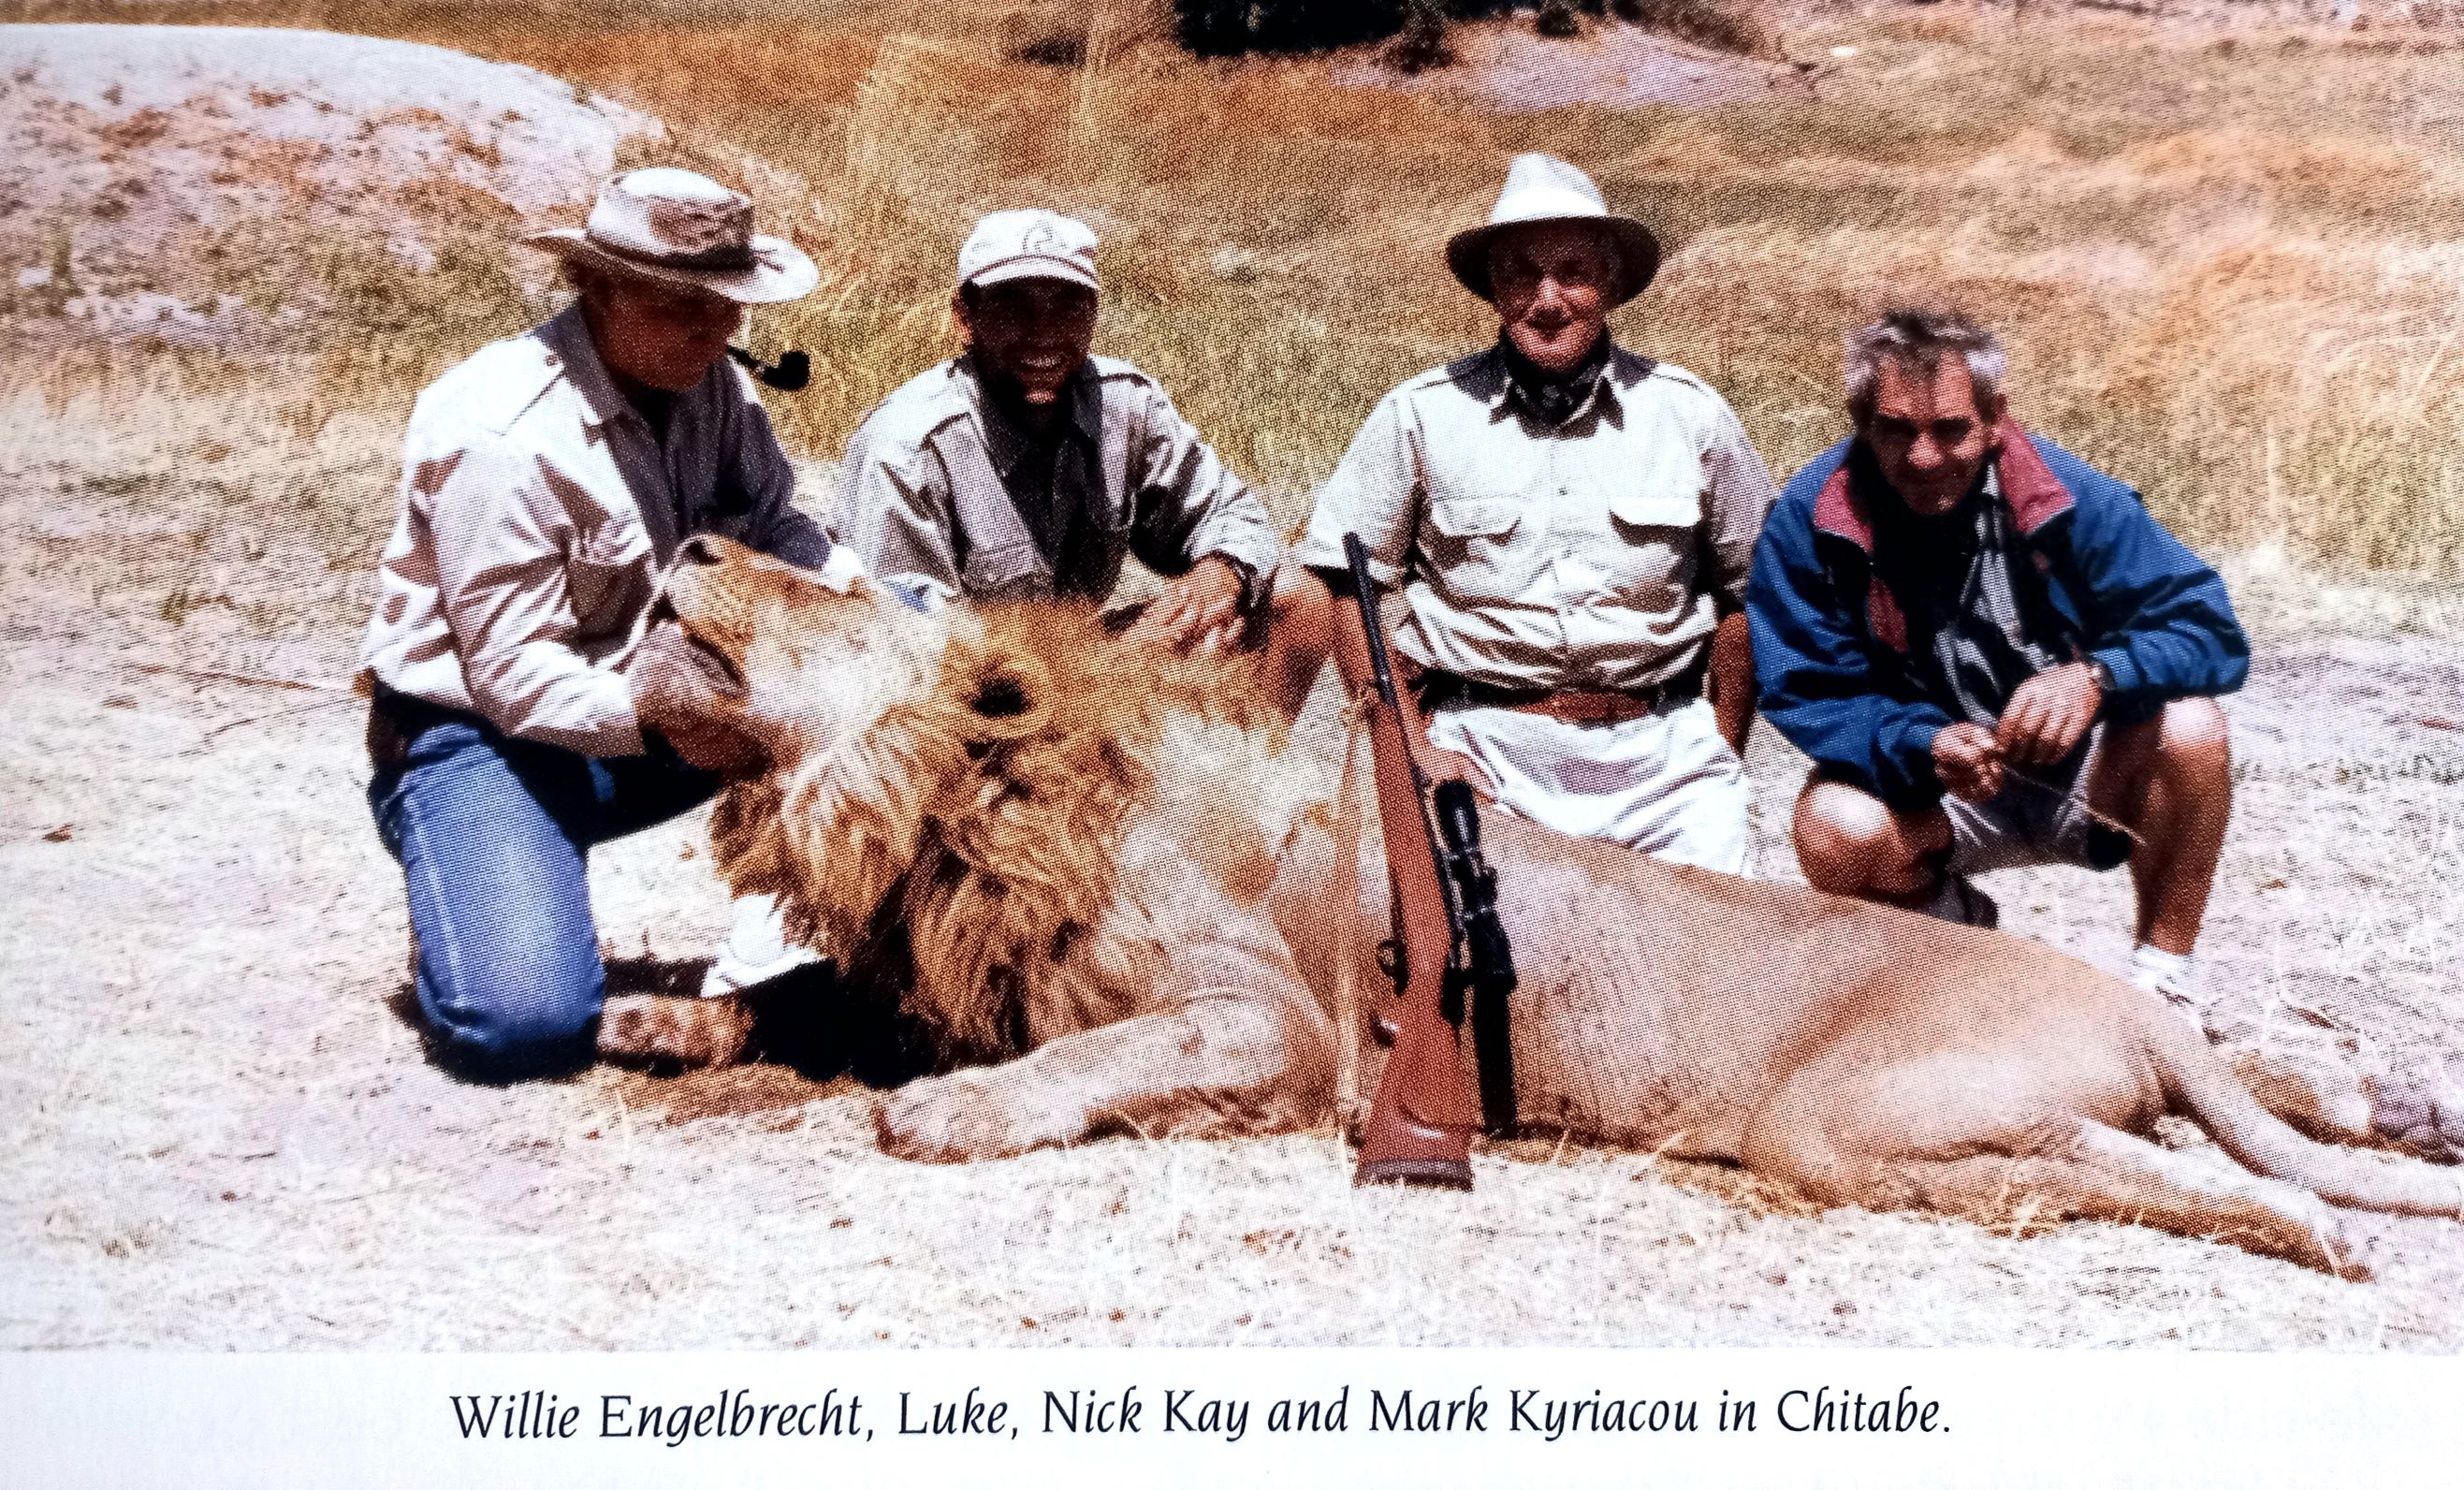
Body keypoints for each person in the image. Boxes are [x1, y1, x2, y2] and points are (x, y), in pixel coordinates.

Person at [360, 168, 857, 1079]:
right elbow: (513, 677)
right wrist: (702, 721)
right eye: (681, 303)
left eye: (728, 303)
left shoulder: (712, 381)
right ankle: (468, 855)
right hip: (485, 736)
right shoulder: (501, 435)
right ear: (596, 286)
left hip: (664, 709)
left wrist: (859, 600)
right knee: (523, 1030)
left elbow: (775, 526)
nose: (715, 329)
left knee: (894, 648)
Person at [1748, 308, 2248, 1028]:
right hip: (1937, 786)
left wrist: (2095, 676)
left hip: (2085, 776)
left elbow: (2209, 629)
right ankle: (1962, 952)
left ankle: (2161, 983)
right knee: (1832, 825)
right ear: (1860, 423)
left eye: (1949, 429)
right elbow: (1806, 687)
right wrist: (1920, 740)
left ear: (1993, 420)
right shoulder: (1812, 514)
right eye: (1896, 430)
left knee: (2191, 728)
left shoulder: (2067, 493)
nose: (1923, 457)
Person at [1293, 153, 1777, 872]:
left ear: (1609, 281)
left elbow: (1750, 592)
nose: (1547, 299)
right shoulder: (1421, 414)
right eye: (1522, 274)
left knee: (1719, 936)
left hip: (1664, 754)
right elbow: (1347, 587)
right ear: (1494, 287)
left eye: (1572, 272)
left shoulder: (1689, 414)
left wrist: (1720, 745)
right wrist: (1412, 748)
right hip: (1486, 748)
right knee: (1455, 932)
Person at [831, 209, 1329, 715]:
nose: (1043, 333)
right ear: (965, 317)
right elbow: (900, 645)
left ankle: (1251, 759)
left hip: (1081, 663)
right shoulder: (907, 449)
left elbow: (1235, 516)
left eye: (1067, 307)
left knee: (1294, 597)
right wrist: (1093, 679)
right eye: (1013, 307)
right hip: (964, 695)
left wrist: (1219, 574)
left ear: (1093, 315)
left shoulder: (1124, 404)